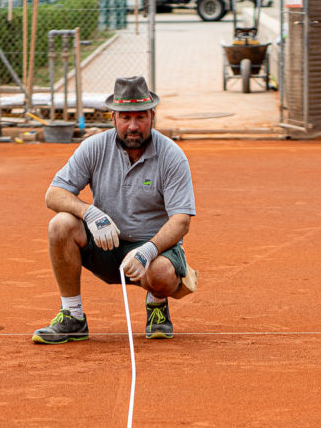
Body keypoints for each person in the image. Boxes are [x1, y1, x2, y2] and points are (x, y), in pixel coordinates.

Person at [32, 75, 198, 343]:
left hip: (153, 251)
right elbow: (54, 194)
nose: (133, 126)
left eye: (141, 117)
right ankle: (73, 316)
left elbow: (181, 220)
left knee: (161, 275)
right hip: (105, 244)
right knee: (60, 224)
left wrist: (148, 250)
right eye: (125, 118)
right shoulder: (94, 147)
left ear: (152, 116)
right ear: (113, 118)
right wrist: (90, 213)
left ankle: (156, 304)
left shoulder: (172, 155)